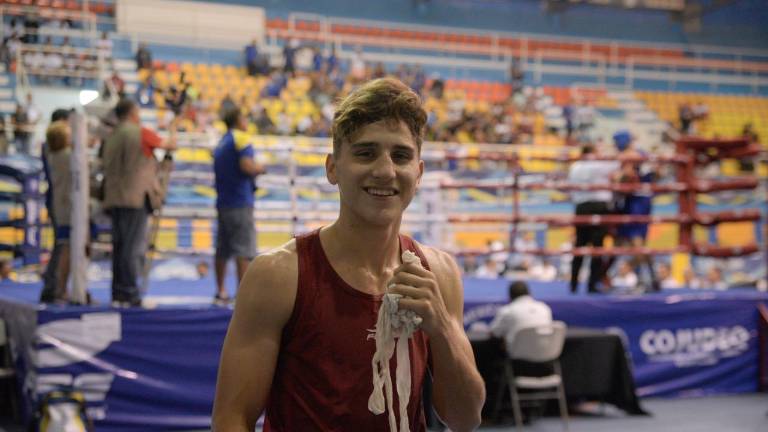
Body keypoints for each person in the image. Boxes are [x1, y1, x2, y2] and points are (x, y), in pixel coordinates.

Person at [212, 78, 485, 431]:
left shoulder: (439, 273)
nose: (385, 170)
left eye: (401, 156)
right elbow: (232, 418)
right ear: (332, 168)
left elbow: (466, 418)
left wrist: (442, 328)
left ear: (418, 174)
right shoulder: (278, 275)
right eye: (365, 153)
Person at [101, 98, 177, 306]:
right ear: (133, 113)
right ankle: (130, 292)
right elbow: (170, 145)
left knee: (119, 247)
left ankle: (119, 292)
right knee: (132, 248)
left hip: (114, 196)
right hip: (134, 196)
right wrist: (173, 126)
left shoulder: (112, 135)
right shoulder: (140, 133)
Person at [212, 108, 266, 304]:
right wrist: (261, 168)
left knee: (223, 249)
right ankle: (242, 297)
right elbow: (246, 165)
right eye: (244, 117)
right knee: (243, 250)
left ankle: (220, 292)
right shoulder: (241, 139)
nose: (247, 121)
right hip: (240, 202)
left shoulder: (222, 141)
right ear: (238, 120)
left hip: (223, 202)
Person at [604, 130, 659, 292]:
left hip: (635, 200)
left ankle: (643, 279)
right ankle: (652, 278)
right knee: (627, 241)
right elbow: (657, 173)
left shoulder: (630, 154)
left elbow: (625, 176)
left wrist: (616, 177)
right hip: (643, 199)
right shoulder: (644, 154)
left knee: (635, 241)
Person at [568, 144, 619, 294]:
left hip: (581, 207)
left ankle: (573, 285)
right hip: (598, 207)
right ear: (592, 153)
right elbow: (617, 163)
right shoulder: (598, 164)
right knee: (597, 247)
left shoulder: (575, 167)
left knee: (580, 245)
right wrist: (611, 151)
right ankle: (592, 285)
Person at [39, 108, 73, 303]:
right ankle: (52, 286)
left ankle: (54, 285)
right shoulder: (58, 151)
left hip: (57, 198)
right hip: (60, 200)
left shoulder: (51, 147)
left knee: (62, 245)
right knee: (62, 245)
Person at [490, 280, 552, 355]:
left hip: (519, 356)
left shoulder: (507, 311)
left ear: (510, 296)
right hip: (546, 353)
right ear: (529, 293)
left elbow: (493, 333)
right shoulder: (544, 308)